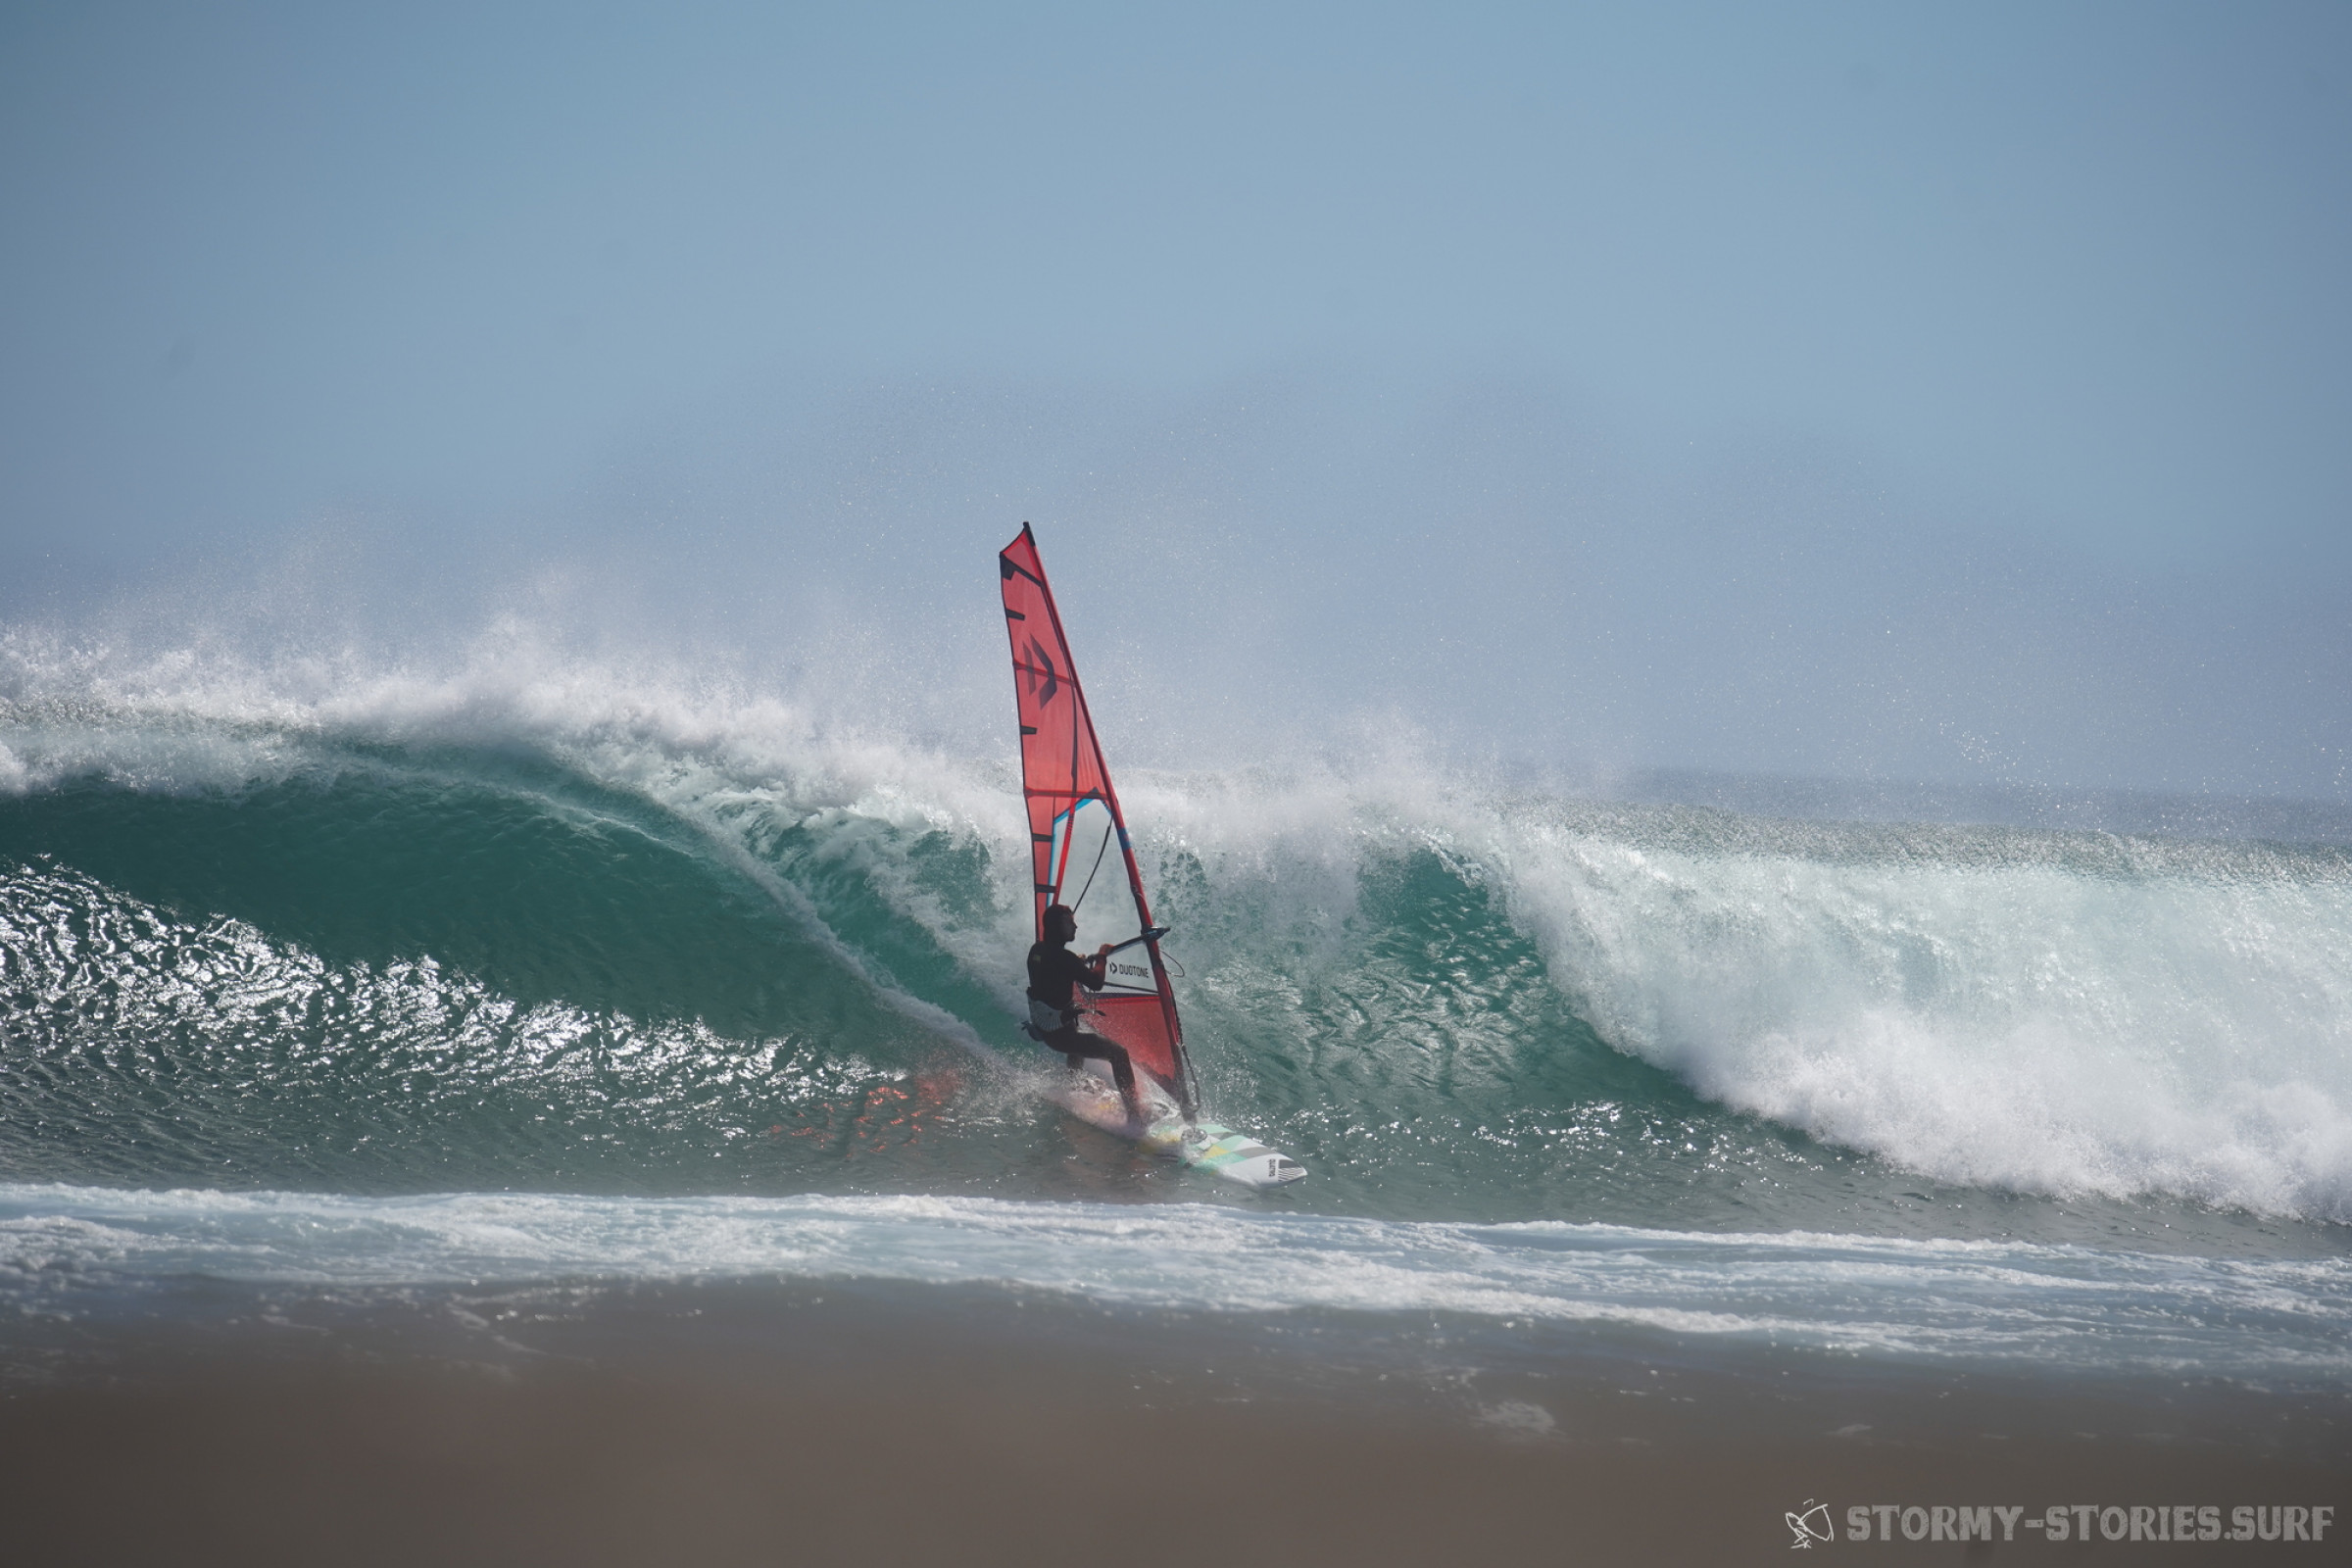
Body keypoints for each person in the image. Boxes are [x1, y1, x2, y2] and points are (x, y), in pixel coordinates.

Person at [1025, 903, 1146, 1123]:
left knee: (1076, 1038)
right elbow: (1096, 982)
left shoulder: (1037, 950)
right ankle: (1135, 1117)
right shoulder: (1065, 959)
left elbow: (1055, 970)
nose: (1076, 927)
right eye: (1070, 923)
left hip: (1047, 1028)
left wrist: (1076, 964)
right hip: (1060, 1035)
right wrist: (1102, 956)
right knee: (1119, 1054)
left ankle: (1073, 1085)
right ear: (1057, 926)